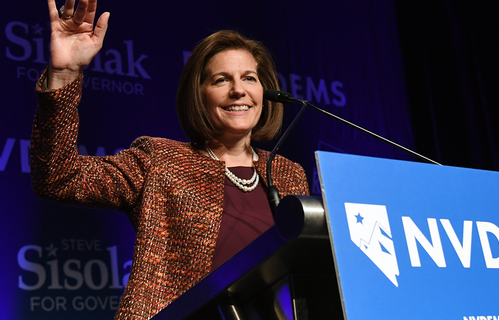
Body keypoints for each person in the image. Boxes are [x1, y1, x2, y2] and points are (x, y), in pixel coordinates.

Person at [30, 0, 310, 319]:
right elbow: (59, 177)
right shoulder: (161, 161)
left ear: (265, 91)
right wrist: (64, 74)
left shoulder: (290, 175)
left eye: (249, 78)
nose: (238, 91)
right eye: (221, 80)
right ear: (198, 94)